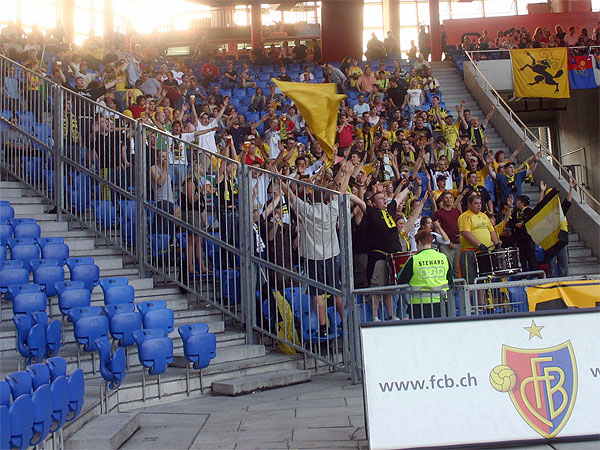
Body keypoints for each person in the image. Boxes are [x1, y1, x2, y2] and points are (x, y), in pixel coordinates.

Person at [397, 231, 453, 319]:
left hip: (419, 304)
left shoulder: (414, 259)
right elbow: (450, 280)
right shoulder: (443, 257)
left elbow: (400, 279)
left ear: (419, 242)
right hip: (442, 301)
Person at [458, 195, 499, 309]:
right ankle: (467, 307)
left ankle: (482, 305)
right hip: (470, 252)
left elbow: (491, 231)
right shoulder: (465, 216)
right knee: (470, 279)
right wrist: (479, 244)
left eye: (480, 203)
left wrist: (496, 244)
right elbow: (466, 232)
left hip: (484, 253)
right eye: (476, 203)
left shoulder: (484, 216)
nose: (479, 206)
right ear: (469, 204)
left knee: (483, 279)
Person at [434, 191, 462, 277]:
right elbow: (437, 228)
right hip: (446, 245)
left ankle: (458, 285)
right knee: (448, 268)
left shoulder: (457, 212)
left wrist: (461, 235)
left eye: (450, 198)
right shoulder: (438, 213)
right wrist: (447, 242)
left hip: (458, 243)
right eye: (446, 198)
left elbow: (461, 225)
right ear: (442, 200)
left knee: (457, 269)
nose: (449, 200)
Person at [511, 195, 537, 272]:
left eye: (518, 201)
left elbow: (531, 222)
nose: (517, 203)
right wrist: (515, 225)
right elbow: (512, 222)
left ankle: (534, 274)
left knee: (531, 257)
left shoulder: (529, 211)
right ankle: (523, 275)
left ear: (523, 203)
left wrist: (523, 224)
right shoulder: (516, 212)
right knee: (522, 258)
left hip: (528, 239)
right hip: (519, 239)